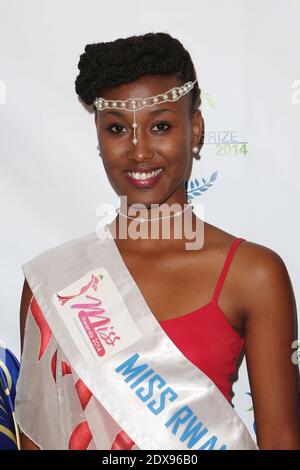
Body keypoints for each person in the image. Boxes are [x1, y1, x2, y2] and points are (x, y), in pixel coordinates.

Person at [16, 32, 300, 450]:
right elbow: (35, 438)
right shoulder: (54, 283)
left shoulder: (253, 274)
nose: (139, 151)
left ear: (196, 128)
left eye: (161, 126)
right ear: (98, 139)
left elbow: (281, 437)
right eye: (116, 129)